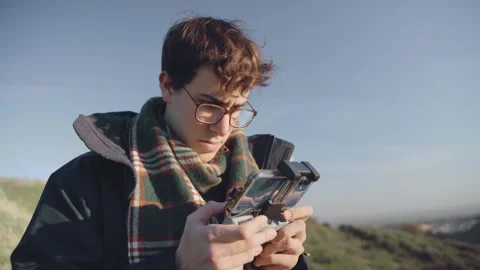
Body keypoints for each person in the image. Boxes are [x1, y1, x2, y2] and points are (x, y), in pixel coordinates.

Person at [10, 16, 314, 270]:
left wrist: (292, 261)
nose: (224, 128)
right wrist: (176, 264)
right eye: (209, 106)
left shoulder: (262, 175)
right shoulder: (83, 182)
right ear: (168, 86)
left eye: (237, 110)